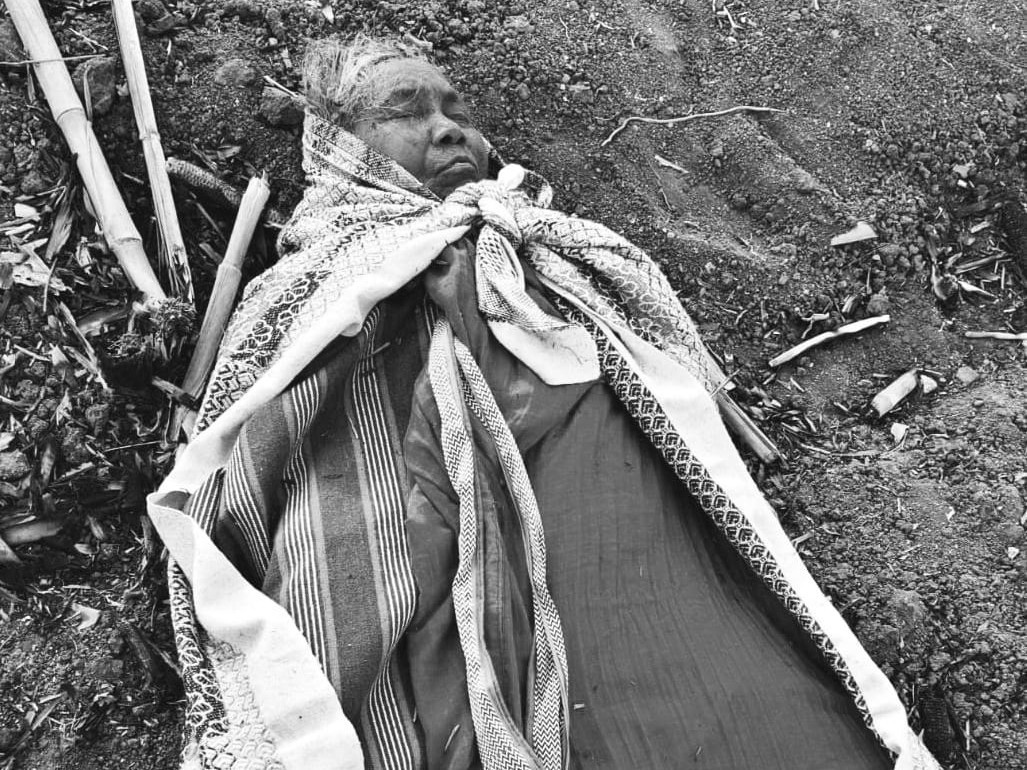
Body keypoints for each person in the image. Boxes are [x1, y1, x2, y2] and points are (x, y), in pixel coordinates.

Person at [148, 35, 941, 770]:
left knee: (743, 705)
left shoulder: (552, 249)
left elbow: (669, 383)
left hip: (626, 532)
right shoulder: (313, 279)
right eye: (406, 111)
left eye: (456, 110)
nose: (448, 129)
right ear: (338, 145)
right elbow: (246, 439)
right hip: (399, 525)